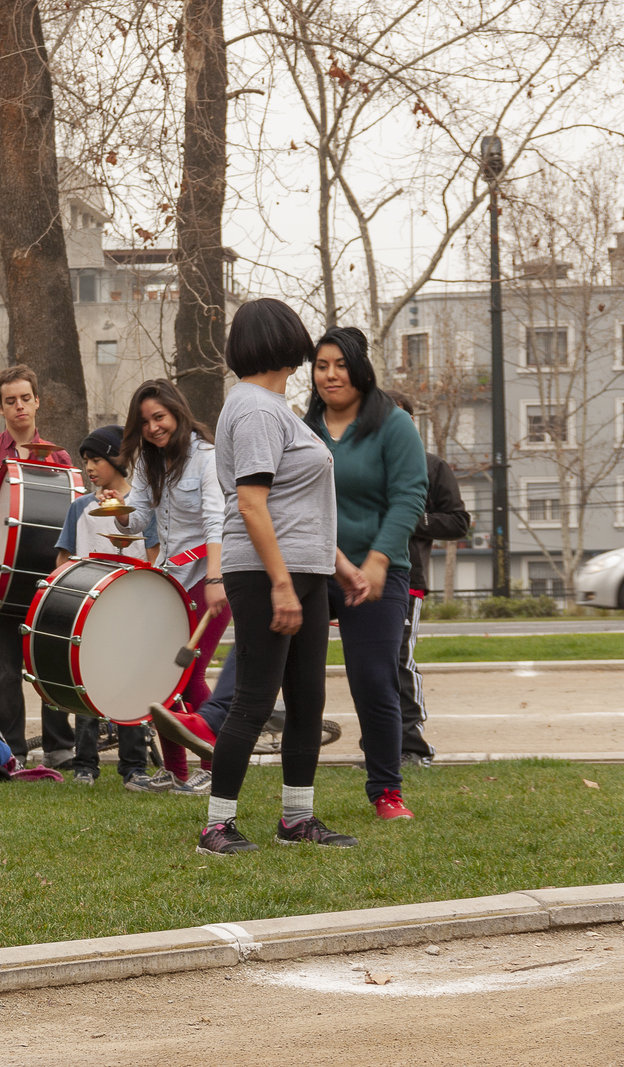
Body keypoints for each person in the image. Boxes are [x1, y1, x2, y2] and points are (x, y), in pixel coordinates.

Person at [199, 297, 366, 856]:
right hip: (266, 573)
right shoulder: (255, 410)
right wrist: (280, 584)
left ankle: (297, 819)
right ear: (281, 340)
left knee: (307, 698)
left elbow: (300, 505)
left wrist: (339, 566)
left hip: (304, 570)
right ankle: (216, 825)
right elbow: (250, 504)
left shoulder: (275, 407)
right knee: (253, 699)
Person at [305, 331, 428, 820]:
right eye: (320, 365)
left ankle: (386, 790)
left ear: (361, 369)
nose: (330, 375)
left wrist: (377, 560)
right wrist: (335, 559)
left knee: (374, 680)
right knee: (284, 667)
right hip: (317, 566)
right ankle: (292, 788)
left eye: (340, 364)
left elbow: (409, 497)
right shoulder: (304, 428)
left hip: (379, 573)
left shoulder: (393, 425)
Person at [0, 365, 75, 766]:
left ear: (37, 401)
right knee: (5, 670)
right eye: (10, 401)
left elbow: (71, 518)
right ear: (0, 408)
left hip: (47, 577)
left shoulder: (58, 457)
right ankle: (11, 751)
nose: (19, 406)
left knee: (50, 664)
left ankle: (59, 748)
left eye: (25, 398)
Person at [115, 379, 229, 797]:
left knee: (190, 671)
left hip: (209, 576)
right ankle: (177, 773)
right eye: (144, 421)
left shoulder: (207, 457)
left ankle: (215, 769)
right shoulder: (148, 462)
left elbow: (217, 520)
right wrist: (119, 511)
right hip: (170, 579)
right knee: (163, 676)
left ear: (178, 413)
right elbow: (139, 518)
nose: (152, 427)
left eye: (159, 417)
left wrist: (216, 578)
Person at [52, 426, 157, 788]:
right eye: (85, 461)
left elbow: (155, 557)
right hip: (89, 611)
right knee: (89, 684)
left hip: (133, 611)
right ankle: (85, 765)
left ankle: (134, 767)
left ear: (118, 458)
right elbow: (64, 560)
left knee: (132, 684)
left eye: (97, 459)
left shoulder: (142, 508)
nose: (90, 467)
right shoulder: (80, 508)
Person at [386, 390, 471, 767]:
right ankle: (382, 743)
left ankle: (412, 747)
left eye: (401, 417)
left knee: (399, 659)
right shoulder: (359, 464)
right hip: (357, 579)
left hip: (408, 578)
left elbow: (458, 522)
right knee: (372, 664)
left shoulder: (431, 467)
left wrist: (412, 518)